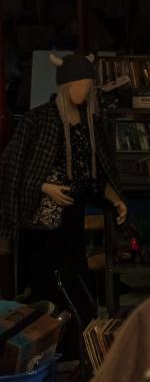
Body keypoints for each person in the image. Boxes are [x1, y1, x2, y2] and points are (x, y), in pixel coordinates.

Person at [0, 53, 127, 304]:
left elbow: (95, 177)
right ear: (67, 85)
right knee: (45, 291)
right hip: (40, 223)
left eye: (88, 86)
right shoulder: (38, 120)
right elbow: (11, 167)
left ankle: (75, 339)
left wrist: (116, 199)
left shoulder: (91, 125)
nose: (84, 90)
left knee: (75, 288)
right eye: (80, 84)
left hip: (72, 221)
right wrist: (45, 187)